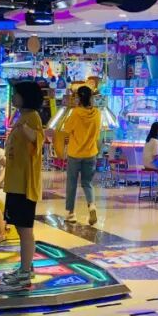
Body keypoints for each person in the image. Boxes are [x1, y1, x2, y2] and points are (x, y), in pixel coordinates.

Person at [0, 80, 45, 291]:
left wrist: (23, 127)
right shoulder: (22, 116)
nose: (13, 97)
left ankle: (25, 273)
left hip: (25, 184)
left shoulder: (32, 117)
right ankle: (25, 267)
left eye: (16, 94)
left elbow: (38, 139)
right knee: (20, 227)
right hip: (15, 182)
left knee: (25, 229)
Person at [60, 85, 101, 225]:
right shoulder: (97, 113)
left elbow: (67, 128)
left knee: (72, 183)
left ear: (79, 98)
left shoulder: (76, 113)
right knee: (87, 183)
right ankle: (92, 205)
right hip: (91, 153)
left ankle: (71, 213)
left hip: (75, 153)